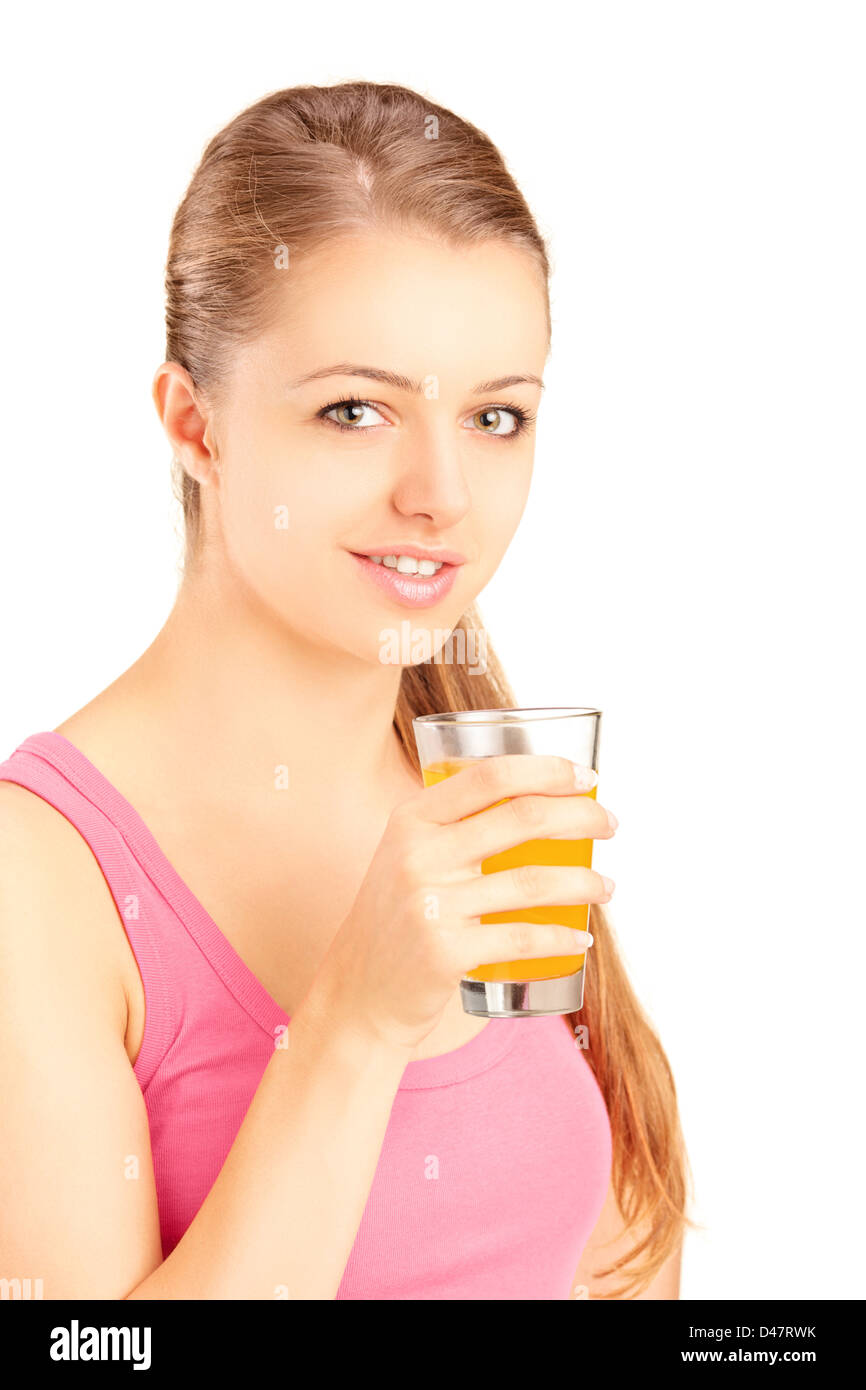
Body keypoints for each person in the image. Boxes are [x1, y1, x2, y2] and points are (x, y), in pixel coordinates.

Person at [0, 81, 695, 1300]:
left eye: (494, 415)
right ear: (196, 425)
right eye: (355, 409)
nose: (441, 493)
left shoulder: (474, 781)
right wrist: (352, 1025)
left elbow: (614, 1268)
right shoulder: (40, 884)